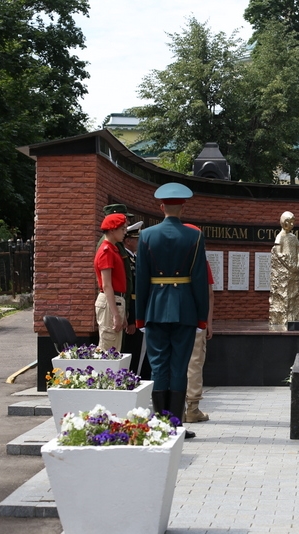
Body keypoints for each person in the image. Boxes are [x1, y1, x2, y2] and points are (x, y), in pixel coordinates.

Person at [135, 182, 209, 439]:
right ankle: (175, 425)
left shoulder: (146, 235)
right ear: (183, 207)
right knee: (179, 366)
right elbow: (199, 279)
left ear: (161, 207)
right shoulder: (194, 236)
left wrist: (140, 316)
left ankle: (160, 425)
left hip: (155, 308)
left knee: (158, 366)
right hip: (185, 309)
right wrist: (202, 317)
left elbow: (141, 279)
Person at [182, 224, 215, 424]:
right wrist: (208, 322)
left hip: (173, 318)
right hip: (195, 318)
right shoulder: (201, 261)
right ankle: (192, 409)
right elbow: (209, 294)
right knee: (194, 362)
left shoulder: (172, 258)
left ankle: (175, 408)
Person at [94, 213, 128, 352]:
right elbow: (107, 285)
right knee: (108, 350)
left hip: (115, 301)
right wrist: (115, 314)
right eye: (122, 229)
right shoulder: (106, 251)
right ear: (112, 230)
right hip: (110, 301)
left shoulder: (113, 249)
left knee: (113, 348)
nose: (125, 232)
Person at [121, 221, 149, 378]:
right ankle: (128, 379)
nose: (139, 242)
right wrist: (132, 319)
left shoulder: (135, 259)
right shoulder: (126, 261)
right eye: (136, 239)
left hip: (139, 311)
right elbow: (130, 292)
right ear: (128, 241)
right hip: (133, 313)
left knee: (138, 350)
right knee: (131, 351)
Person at [269, 211, 299, 327]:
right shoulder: (280, 237)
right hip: (284, 272)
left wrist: (297, 265)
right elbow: (278, 253)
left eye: (293, 222)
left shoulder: (293, 237)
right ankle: (282, 320)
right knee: (284, 295)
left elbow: (298, 252)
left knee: (294, 295)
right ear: (284, 222)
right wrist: (289, 266)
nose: (292, 224)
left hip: (294, 271)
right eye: (289, 222)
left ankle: (294, 318)